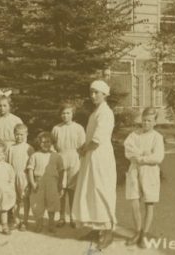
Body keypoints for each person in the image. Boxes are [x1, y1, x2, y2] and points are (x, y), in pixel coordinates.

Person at [72, 80, 117, 250]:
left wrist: (85, 150)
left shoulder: (106, 113)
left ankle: (107, 231)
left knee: (101, 191)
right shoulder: (95, 112)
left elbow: (97, 140)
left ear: (105, 94)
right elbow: (91, 138)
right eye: (91, 92)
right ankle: (95, 228)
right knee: (90, 190)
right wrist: (84, 148)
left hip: (100, 158)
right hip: (92, 156)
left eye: (96, 92)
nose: (93, 96)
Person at [124, 107, 164, 248]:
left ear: (154, 122)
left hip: (150, 172)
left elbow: (158, 157)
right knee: (134, 200)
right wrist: (144, 153)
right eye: (144, 120)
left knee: (149, 202)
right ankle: (137, 231)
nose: (146, 123)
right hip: (134, 170)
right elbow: (128, 151)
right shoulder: (134, 135)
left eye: (149, 121)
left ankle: (144, 234)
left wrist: (142, 158)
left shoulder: (157, 137)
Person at [51, 102, 85, 228]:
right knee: (61, 189)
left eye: (68, 113)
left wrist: (80, 159)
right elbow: (53, 144)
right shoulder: (56, 128)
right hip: (61, 158)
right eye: (63, 113)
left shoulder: (78, 128)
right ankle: (61, 217)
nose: (65, 116)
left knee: (72, 190)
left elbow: (82, 146)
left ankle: (72, 216)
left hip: (74, 159)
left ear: (73, 114)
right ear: (60, 115)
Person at [27, 132, 65, 233]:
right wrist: (32, 183)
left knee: (52, 202)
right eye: (42, 142)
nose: (45, 144)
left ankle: (51, 223)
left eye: (48, 142)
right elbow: (30, 170)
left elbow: (61, 170)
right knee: (37, 203)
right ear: (39, 143)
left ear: (52, 143)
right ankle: (39, 224)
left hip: (52, 182)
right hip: (38, 182)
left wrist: (60, 183)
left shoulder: (56, 156)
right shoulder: (35, 155)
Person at [6, 124, 33, 231]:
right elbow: (7, 163)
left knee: (25, 198)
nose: (19, 137)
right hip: (13, 176)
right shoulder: (10, 148)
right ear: (14, 135)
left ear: (26, 134)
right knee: (14, 199)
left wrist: (31, 180)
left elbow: (32, 164)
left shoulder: (29, 148)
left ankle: (25, 221)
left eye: (22, 135)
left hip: (24, 176)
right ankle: (16, 220)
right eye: (17, 135)